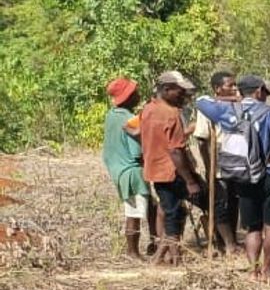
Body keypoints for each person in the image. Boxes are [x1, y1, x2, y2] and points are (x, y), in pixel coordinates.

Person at [199, 75, 270, 280]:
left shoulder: (228, 110)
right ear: (259, 91)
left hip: (244, 175)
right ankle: (267, 270)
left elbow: (201, 101)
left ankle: (253, 271)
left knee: (253, 227)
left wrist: (233, 98)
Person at [138, 71, 203, 266]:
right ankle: (167, 257)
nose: (183, 96)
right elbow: (175, 151)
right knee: (211, 201)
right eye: (179, 92)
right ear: (166, 90)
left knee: (172, 211)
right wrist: (190, 181)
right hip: (172, 171)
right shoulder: (171, 114)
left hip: (155, 170)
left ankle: (170, 256)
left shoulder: (148, 109)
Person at [191, 70, 241, 254]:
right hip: (219, 163)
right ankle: (227, 244)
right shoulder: (207, 109)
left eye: (235, 85)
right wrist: (209, 166)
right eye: (230, 85)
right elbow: (202, 140)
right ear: (217, 88)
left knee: (233, 204)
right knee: (221, 203)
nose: (235, 88)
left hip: (236, 163)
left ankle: (231, 241)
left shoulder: (235, 106)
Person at [101, 78, 149, 260]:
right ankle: (133, 252)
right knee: (134, 213)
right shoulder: (131, 119)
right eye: (134, 93)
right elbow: (136, 151)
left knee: (134, 210)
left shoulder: (111, 115)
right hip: (132, 171)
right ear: (128, 98)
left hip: (117, 168)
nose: (138, 96)